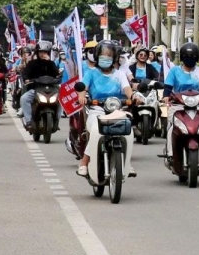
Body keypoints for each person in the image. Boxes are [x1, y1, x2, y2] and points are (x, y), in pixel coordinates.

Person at [75, 40, 135, 177]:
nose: (105, 58)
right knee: (96, 131)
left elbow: (127, 88)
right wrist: (82, 97)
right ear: (97, 56)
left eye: (109, 55)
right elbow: (83, 88)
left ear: (114, 58)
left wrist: (133, 96)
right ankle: (84, 162)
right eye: (103, 55)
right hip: (97, 109)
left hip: (117, 109)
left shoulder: (119, 74)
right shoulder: (91, 73)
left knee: (128, 131)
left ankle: (127, 163)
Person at [160, 42, 199, 160]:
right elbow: (168, 88)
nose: (190, 59)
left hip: (198, 106)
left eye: (193, 56)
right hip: (178, 106)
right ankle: (170, 153)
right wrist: (166, 96)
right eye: (187, 56)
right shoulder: (174, 71)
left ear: (197, 58)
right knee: (172, 126)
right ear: (182, 57)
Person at [20, 41, 62, 131]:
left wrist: (49, 62)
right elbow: (25, 73)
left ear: (48, 53)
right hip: (35, 88)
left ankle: (57, 120)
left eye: (45, 52)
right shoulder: (32, 63)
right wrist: (26, 79)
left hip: (51, 89)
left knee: (61, 100)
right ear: (37, 52)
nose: (43, 54)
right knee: (24, 98)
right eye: (41, 52)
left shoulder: (51, 64)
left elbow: (57, 74)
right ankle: (28, 121)